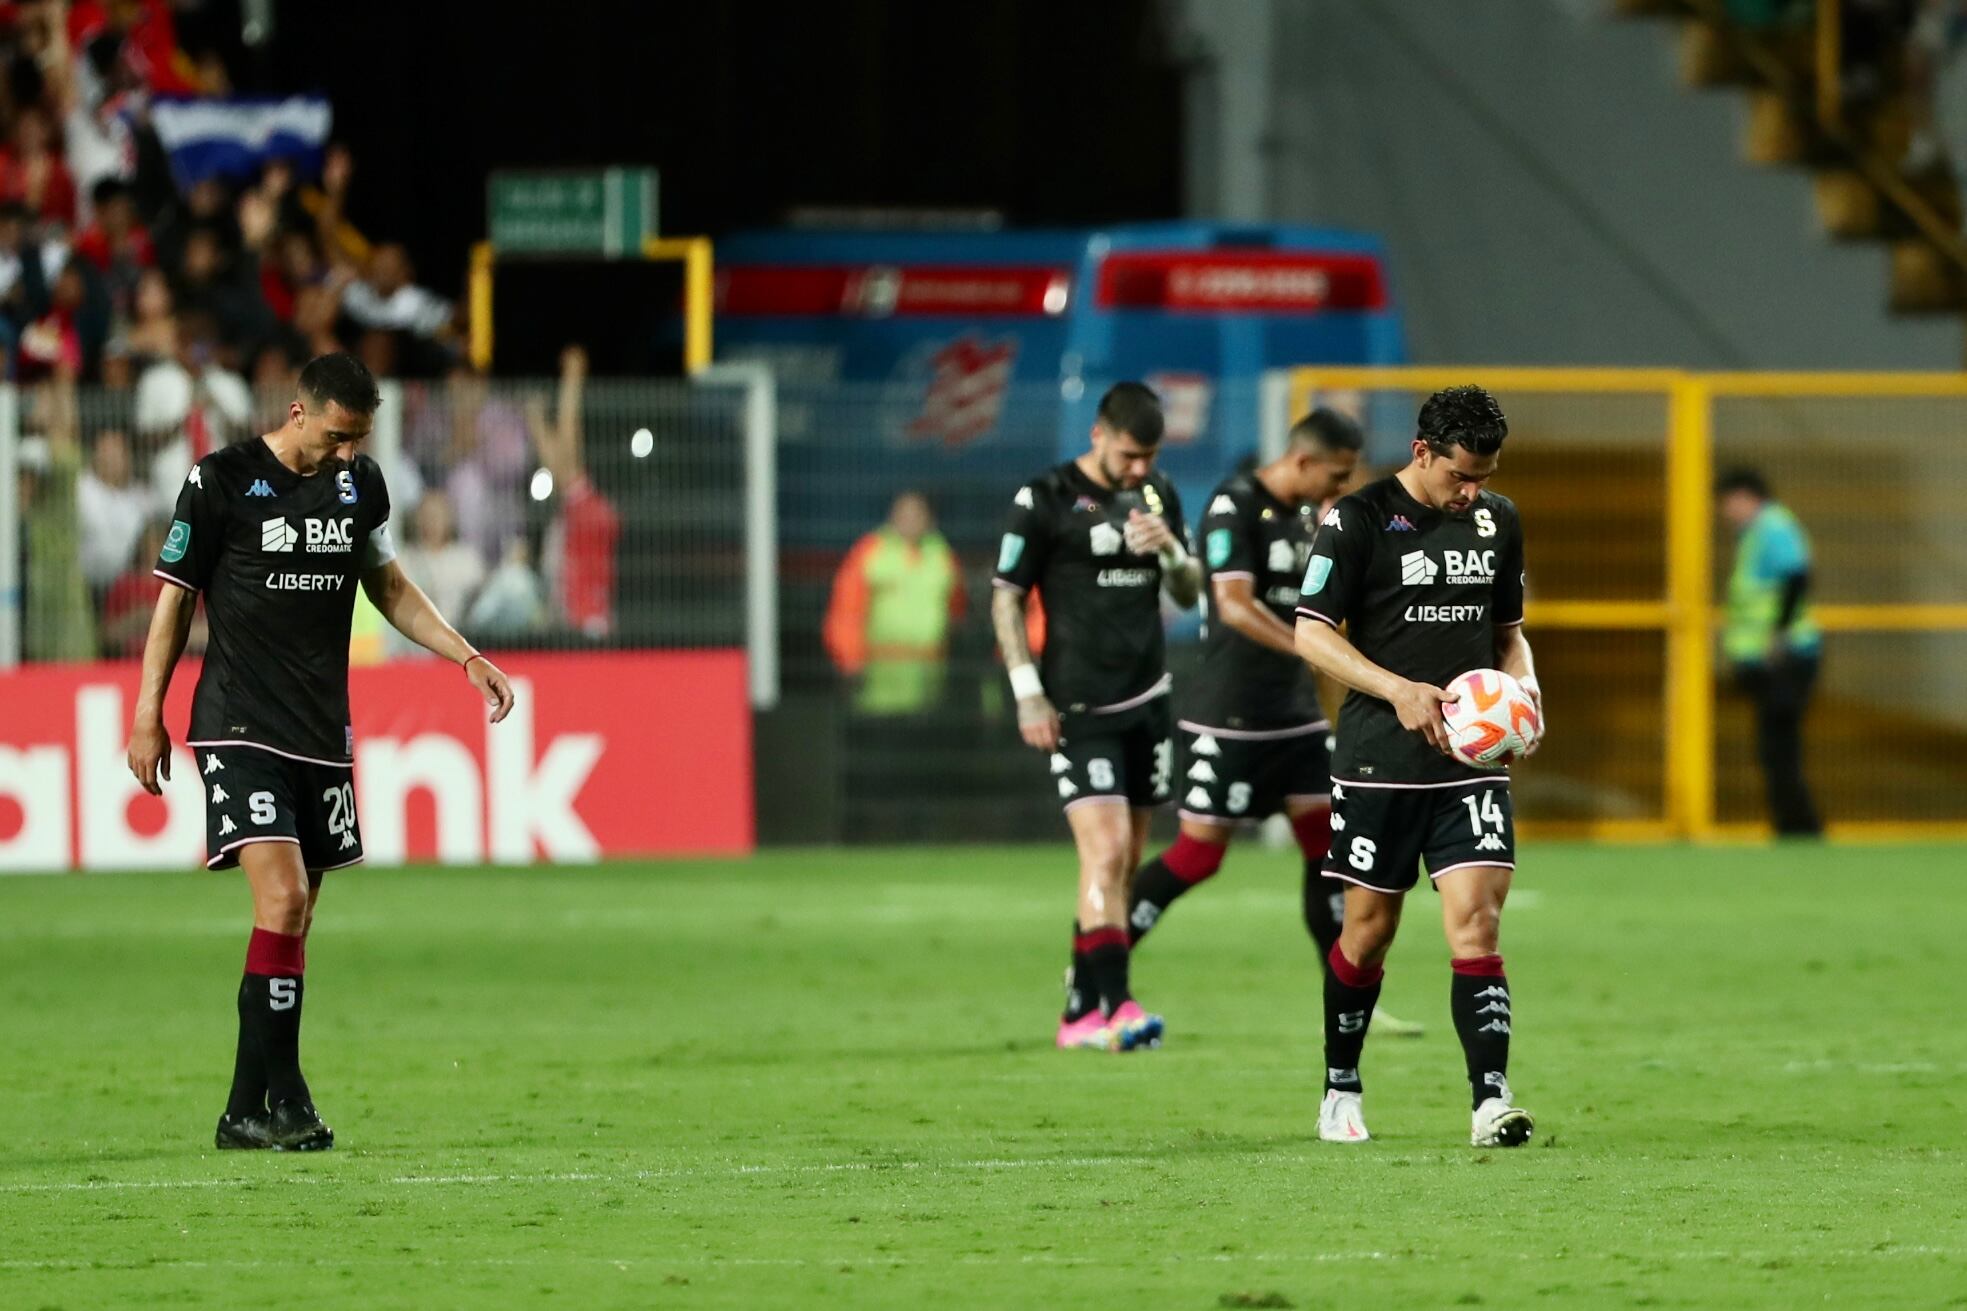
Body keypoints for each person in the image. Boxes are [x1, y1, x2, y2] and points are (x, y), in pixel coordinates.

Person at [125, 352, 516, 1152]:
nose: (347, 454)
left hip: (320, 731)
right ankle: (292, 1098)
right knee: (284, 897)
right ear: (299, 412)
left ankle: (242, 1110)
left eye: (358, 440)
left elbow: (389, 584)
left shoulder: (360, 484)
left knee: (292, 919)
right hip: (237, 722)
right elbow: (174, 599)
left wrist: (466, 655)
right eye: (338, 437)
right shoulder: (220, 479)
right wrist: (146, 713)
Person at [1294, 385, 1543, 1148]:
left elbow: (1508, 634)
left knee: (1477, 920)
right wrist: (1396, 689)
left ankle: (1489, 1100)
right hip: (1378, 761)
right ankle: (1340, 1084)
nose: (1473, 491)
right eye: (1460, 475)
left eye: (1485, 476)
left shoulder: (1498, 522)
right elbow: (1310, 633)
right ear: (1421, 451)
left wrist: (1527, 691)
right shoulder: (1357, 520)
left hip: (1469, 766)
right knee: (1367, 933)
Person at [1120, 409, 1420, 1035]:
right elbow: (1232, 605)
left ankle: (1349, 995)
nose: (1340, 489)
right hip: (1229, 714)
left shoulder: (1313, 516)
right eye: (1334, 476)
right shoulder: (1233, 505)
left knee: (1329, 850)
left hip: (1296, 717)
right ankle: (1097, 966)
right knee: (1199, 855)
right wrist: (1310, 648)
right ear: (1304, 461)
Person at [991, 381, 1199, 1052]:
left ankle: (1079, 1011)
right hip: (1078, 707)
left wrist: (1168, 548)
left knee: (1127, 861)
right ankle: (1119, 1006)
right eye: (1131, 454)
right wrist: (1027, 691)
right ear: (1098, 435)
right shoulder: (1045, 497)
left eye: (1151, 456)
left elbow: (1189, 591)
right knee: (1104, 852)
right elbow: (1004, 598)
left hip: (1147, 701)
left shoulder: (1156, 495)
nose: (1140, 469)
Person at [1717, 467, 1823, 837]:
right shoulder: (1756, 533)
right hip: (1773, 658)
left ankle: (1800, 828)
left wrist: (1778, 635)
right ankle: (1792, 826)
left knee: (1779, 747)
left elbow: (1797, 577)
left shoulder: (1773, 527)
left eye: (1729, 502)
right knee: (1774, 747)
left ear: (1747, 496)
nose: (1726, 511)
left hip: (1786, 657)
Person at [823, 491, 967, 715]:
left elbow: (956, 608)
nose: (910, 520)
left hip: (929, 679)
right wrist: (849, 660)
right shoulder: (870, 551)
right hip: (878, 680)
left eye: (917, 514)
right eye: (903, 513)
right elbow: (846, 611)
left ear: (929, 519)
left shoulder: (942, 554)